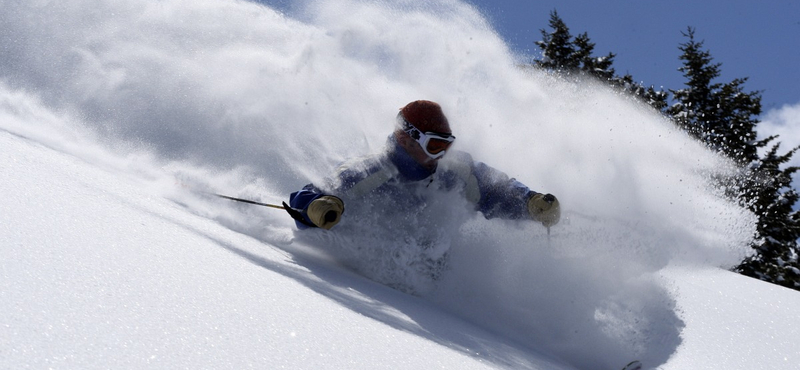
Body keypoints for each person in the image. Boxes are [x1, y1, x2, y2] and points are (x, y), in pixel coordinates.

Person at [288, 100, 560, 231]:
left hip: (430, 295)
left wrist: (529, 203)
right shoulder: (370, 172)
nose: (441, 156)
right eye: (435, 146)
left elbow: (493, 192)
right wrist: (316, 206)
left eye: (446, 146)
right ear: (406, 139)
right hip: (367, 283)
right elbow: (310, 196)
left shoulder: (455, 171)